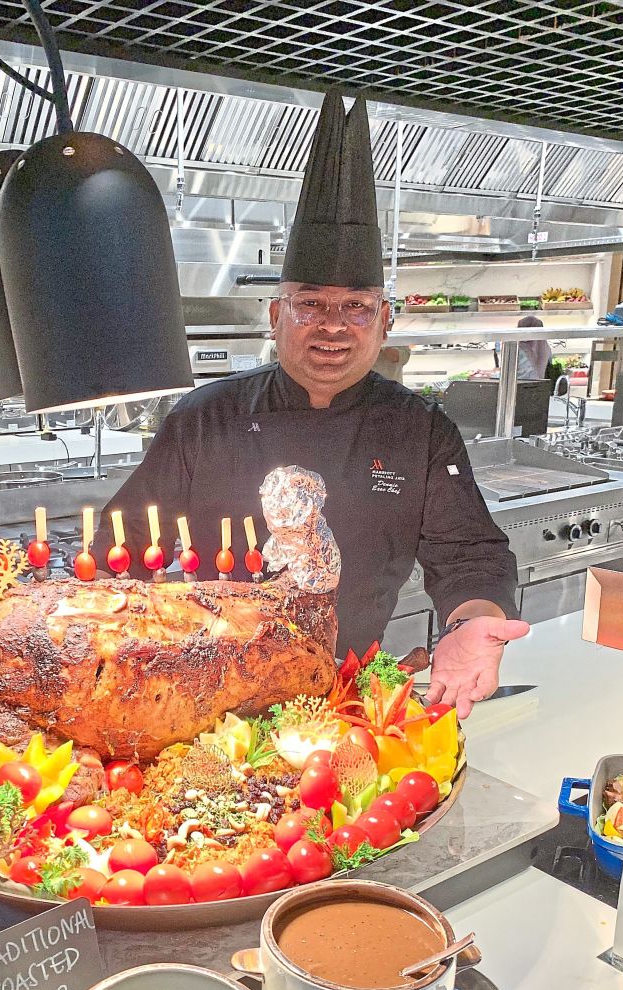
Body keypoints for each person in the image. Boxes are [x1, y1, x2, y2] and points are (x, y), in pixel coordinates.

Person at [92, 93, 528, 718]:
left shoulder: (420, 429)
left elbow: (470, 555)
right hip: (204, 702)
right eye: (312, 304)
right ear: (276, 316)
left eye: (356, 306)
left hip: (350, 698)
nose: (334, 326)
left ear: (384, 322)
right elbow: (123, 548)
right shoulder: (204, 418)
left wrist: (472, 625)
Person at [515, 316, 552, 380]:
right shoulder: (546, 347)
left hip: (521, 386)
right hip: (542, 385)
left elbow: (512, 372)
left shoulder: (518, 349)